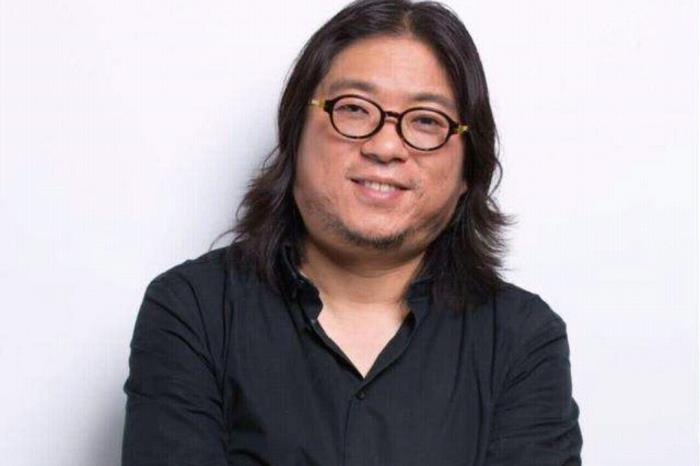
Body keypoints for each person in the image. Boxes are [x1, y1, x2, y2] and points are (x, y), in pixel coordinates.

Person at [121, 0, 583, 464]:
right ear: (294, 134)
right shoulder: (194, 311)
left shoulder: (523, 340)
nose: (385, 146)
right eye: (354, 109)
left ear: (469, 168)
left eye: (427, 120)